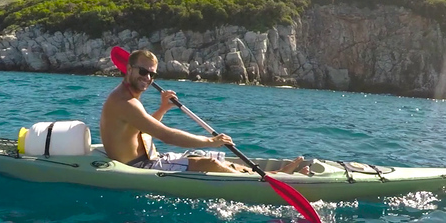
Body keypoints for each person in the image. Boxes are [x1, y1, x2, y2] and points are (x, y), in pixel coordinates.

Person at [100, 49, 309, 174]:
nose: (147, 78)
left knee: (215, 159)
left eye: (152, 74)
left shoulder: (129, 96)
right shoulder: (125, 102)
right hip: (140, 167)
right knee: (209, 162)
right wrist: (211, 140)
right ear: (129, 68)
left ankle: (272, 174)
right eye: (143, 72)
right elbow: (166, 135)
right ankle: (269, 180)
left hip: (151, 158)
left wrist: (163, 108)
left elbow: (141, 130)